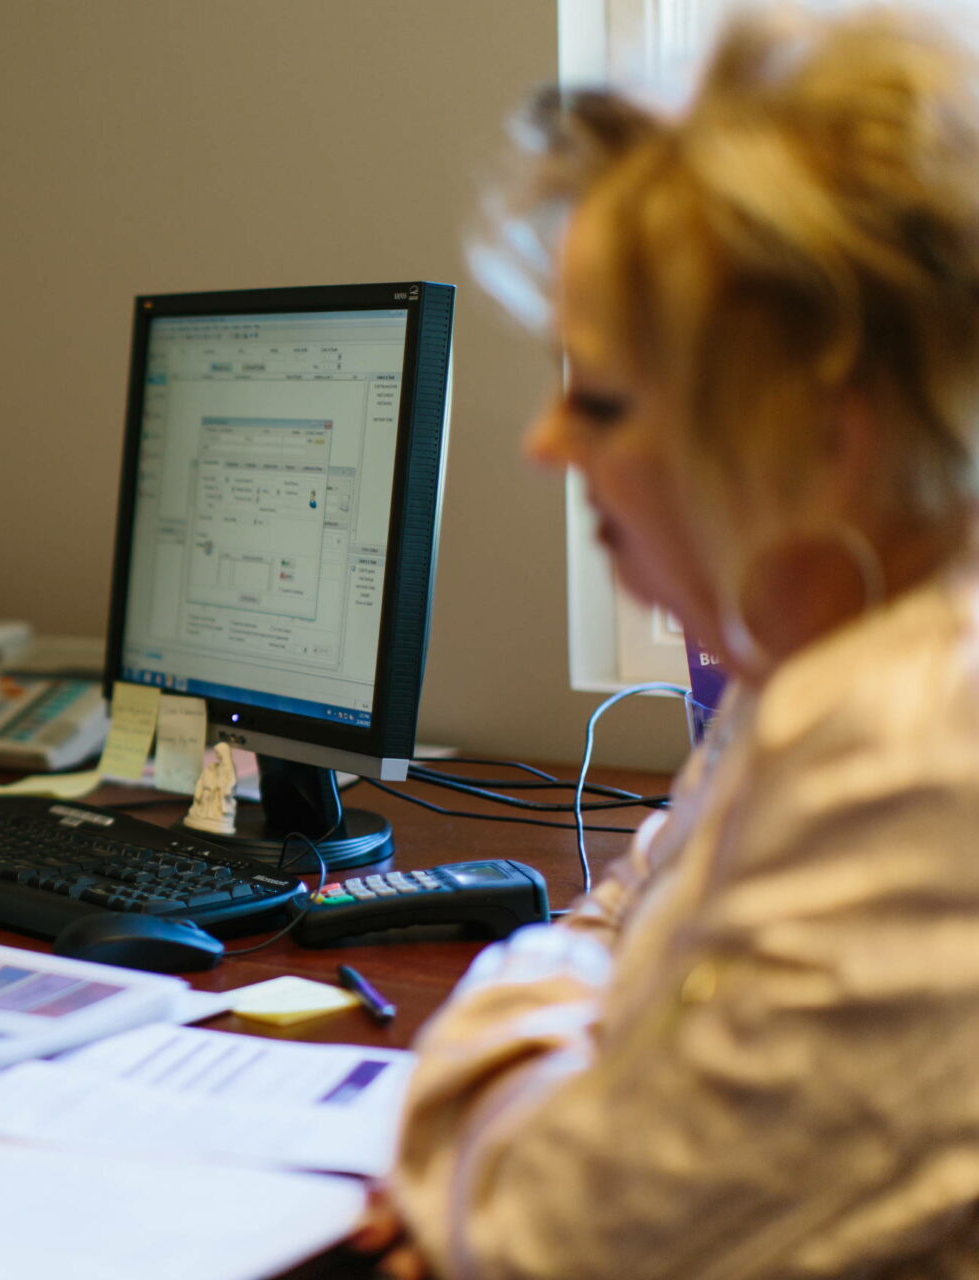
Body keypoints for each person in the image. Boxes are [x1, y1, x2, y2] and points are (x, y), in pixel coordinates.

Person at [352, 8, 979, 1276]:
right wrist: (545, 1089)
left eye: (603, 398)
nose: (545, 445)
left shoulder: (913, 760)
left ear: (825, 431)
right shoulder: (809, 658)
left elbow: (558, 1231)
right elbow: (626, 918)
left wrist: (482, 1106)